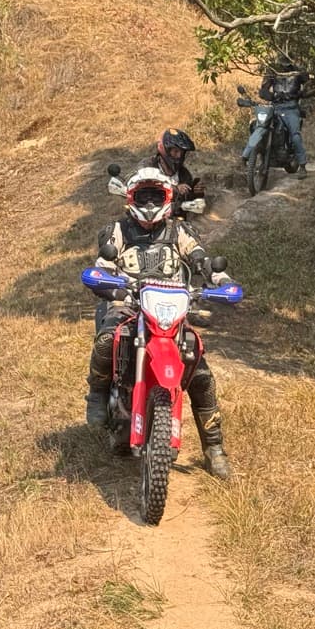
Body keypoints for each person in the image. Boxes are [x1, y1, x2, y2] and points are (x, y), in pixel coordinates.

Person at [84, 167, 234, 479]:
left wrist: (220, 279)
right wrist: (103, 276)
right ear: (131, 198)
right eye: (144, 196)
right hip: (127, 303)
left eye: (156, 196)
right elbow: (103, 263)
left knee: (200, 373)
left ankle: (214, 449)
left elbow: (201, 260)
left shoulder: (179, 232)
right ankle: (97, 395)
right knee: (106, 339)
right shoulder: (118, 231)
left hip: (171, 310)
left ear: (167, 198)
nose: (150, 203)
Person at [243, 60, 310, 178]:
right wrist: (273, 96)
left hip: (291, 108)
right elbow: (263, 91)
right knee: (261, 126)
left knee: (295, 135)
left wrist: (297, 94)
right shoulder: (272, 70)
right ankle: (247, 156)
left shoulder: (298, 70)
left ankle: (302, 166)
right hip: (275, 107)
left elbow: (308, 87)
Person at [142, 128, 205, 213]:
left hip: (174, 221)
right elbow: (139, 186)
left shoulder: (184, 174)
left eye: (182, 153)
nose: (179, 156)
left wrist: (196, 192)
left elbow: (188, 205)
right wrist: (174, 189)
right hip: (147, 217)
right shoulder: (147, 165)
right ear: (166, 150)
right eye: (175, 151)